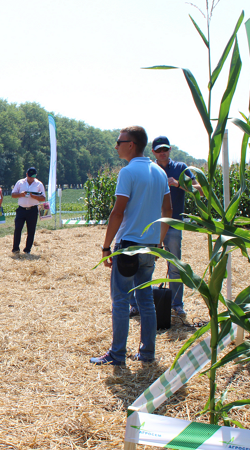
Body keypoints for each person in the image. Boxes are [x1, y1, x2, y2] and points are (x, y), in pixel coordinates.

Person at [91, 126, 171, 366]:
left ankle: (117, 354)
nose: (116, 145)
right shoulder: (159, 172)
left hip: (128, 246)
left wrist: (106, 247)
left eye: (119, 141)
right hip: (149, 247)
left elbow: (118, 212)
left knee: (121, 301)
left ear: (131, 144)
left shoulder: (128, 172)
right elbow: (168, 211)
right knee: (146, 301)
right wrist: (158, 241)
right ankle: (147, 354)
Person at [129, 136, 203, 318]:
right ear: (153, 152)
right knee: (140, 264)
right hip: (148, 225)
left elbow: (200, 189)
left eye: (165, 149)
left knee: (175, 265)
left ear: (170, 150)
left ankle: (177, 305)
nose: (162, 153)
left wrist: (178, 184)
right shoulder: (148, 169)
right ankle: (136, 304)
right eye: (158, 150)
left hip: (173, 224)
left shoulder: (180, 168)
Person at [10, 167, 46, 254]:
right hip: (21, 209)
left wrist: (35, 197)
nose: (31, 178)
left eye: (33, 176)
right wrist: (20, 194)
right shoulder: (20, 182)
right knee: (18, 229)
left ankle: (27, 250)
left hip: (33, 210)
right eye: (30, 176)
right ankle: (15, 248)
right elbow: (13, 195)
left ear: (35, 175)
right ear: (26, 174)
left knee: (31, 230)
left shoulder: (39, 184)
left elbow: (43, 198)